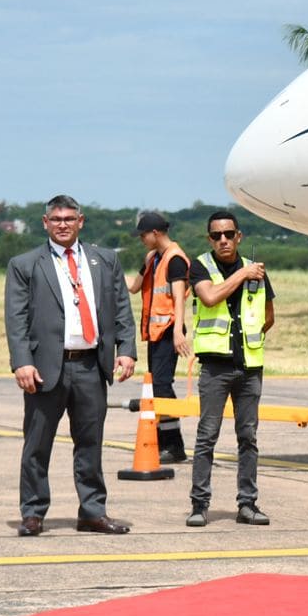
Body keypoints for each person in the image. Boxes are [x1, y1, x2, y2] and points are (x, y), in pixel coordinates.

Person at [5, 195, 137, 536]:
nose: (62, 224)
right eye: (56, 219)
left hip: (91, 365)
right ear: (45, 223)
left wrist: (127, 350)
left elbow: (121, 307)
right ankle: (33, 512)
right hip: (45, 369)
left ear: (81, 221)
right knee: (37, 445)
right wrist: (22, 362)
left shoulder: (104, 260)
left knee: (90, 443)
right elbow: (16, 319)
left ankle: (92, 512)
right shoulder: (25, 264)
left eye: (68, 219)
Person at [188, 210, 276, 529]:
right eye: (216, 236)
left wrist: (249, 339)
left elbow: (268, 315)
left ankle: (247, 504)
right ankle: (199, 505)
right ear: (209, 239)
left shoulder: (257, 271)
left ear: (239, 236)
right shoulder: (201, 266)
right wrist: (242, 275)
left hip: (249, 367)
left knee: (248, 437)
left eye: (229, 234)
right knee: (207, 436)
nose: (223, 240)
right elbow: (210, 297)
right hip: (215, 367)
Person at [125, 209, 190, 464]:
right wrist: (109, 271)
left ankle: (173, 445)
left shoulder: (175, 259)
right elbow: (134, 287)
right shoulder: (153, 257)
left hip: (168, 331)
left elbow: (179, 297)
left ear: (155, 233)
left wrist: (178, 332)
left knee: (162, 386)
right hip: (155, 332)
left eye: (143, 235)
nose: (141, 240)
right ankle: (167, 442)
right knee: (157, 386)